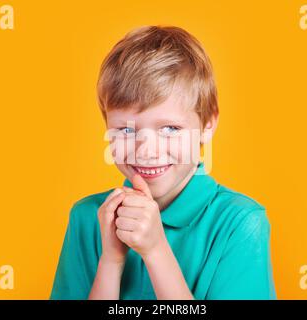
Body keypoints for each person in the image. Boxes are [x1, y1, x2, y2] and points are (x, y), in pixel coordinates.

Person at [50, 25, 276, 300]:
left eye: (170, 128)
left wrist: (155, 250)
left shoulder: (239, 222)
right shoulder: (87, 218)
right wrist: (111, 262)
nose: (145, 151)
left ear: (207, 124)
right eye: (126, 130)